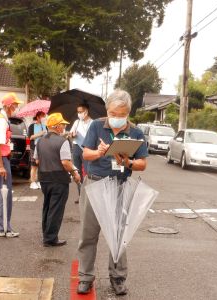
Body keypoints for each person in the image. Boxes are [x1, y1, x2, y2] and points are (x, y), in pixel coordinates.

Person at [76, 90, 148, 296]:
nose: (116, 118)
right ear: (107, 111)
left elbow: (142, 163)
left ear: (128, 112)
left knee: (118, 236)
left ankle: (117, 278)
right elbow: (85, 154)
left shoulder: (136, 132)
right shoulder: (97, 125)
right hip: (95, 185)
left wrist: (129, 162)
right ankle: (85, 277)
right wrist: (98, 152)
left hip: (119, 186)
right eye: (113, 113)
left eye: (121, 114)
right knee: (88, 235)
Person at [34, 113, 81, 247]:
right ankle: (50, 238)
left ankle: (46, 234)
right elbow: (65, 162)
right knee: (56, 209)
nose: (64, 127)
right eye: (63, 125)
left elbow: (37, 160)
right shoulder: (63, 141)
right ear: (57, 126)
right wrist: (75, 172)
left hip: (44, 178)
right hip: (59, 179)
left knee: (48, 207)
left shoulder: (40, 141)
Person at [0, 93, 23, 238]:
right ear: (8, 105)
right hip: (0, 159)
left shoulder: (0, 118)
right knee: (5, 194)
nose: (16, 107)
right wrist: (1, 166)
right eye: (15, 104)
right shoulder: (2, 121)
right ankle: (4, 229)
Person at [69, 103, 93, 203]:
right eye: (78, 112)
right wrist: (72, 135)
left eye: (80, 112)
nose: (79, 114)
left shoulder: (93, 123)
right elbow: (70, 135)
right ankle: (80, 195)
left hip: (87, 149)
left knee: (88, 172)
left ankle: (89, 196)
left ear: (86, 111)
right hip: (76, 148)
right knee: (77, 172)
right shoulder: (76, 122)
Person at [27, 111, 47, 190]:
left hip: (43, 147)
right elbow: (30, 137)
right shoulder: (32, 126)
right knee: (34, 165)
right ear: (38, 117)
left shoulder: (45, 126)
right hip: (34, 147)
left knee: (41, 165)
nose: (44, 118)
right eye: (43, 116)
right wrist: (40, 134)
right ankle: (33, 181)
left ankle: (39, 180)